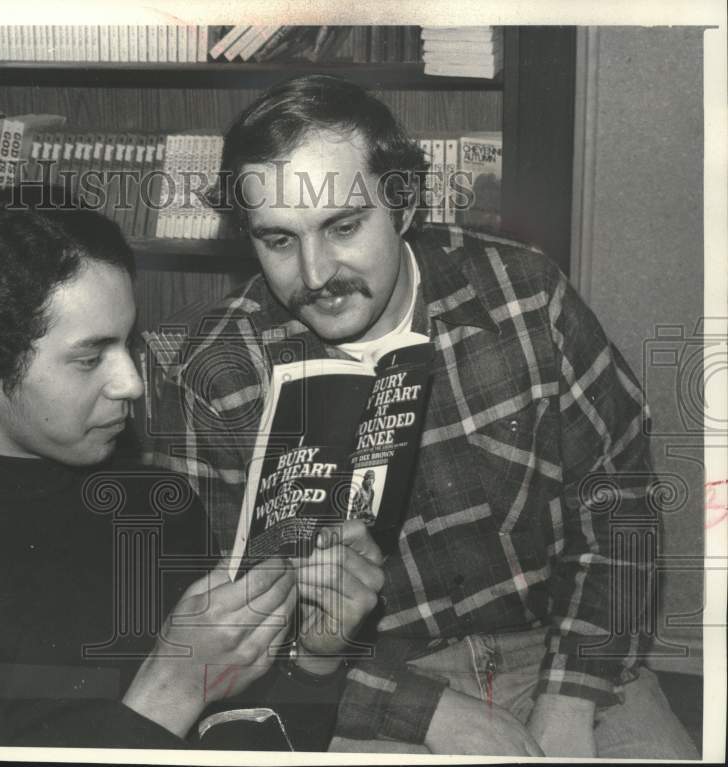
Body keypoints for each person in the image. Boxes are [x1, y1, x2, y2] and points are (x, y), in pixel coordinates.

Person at [144, 75, 698, 758]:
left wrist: (570, 697)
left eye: (343, 227)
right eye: (279, 241)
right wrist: (430, 713)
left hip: (561, 648)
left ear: (403, 204)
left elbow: (620, 506)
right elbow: (239, 629)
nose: (315, 274)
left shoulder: (525, 296)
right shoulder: (216, 370)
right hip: (366, 683)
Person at [0, 190, 384, 749]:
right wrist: (173, 690)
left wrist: (313, 659)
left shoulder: (153, 499)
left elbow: (248, 746)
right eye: (90, 358)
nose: (132, 384)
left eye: (128, 345)